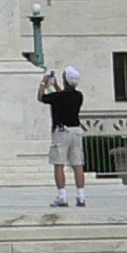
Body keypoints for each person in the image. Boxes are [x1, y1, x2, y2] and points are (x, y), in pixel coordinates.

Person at [39, 66, 88, 207]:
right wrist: (55, 85)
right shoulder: (79, 96)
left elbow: (41, 97)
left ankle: (62, 196)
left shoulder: (58, 97)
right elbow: (64, 96)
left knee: (59, 164)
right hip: (76, 130)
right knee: (78, 164)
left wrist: (44, 83)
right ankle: (81, 196)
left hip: (62, 131)